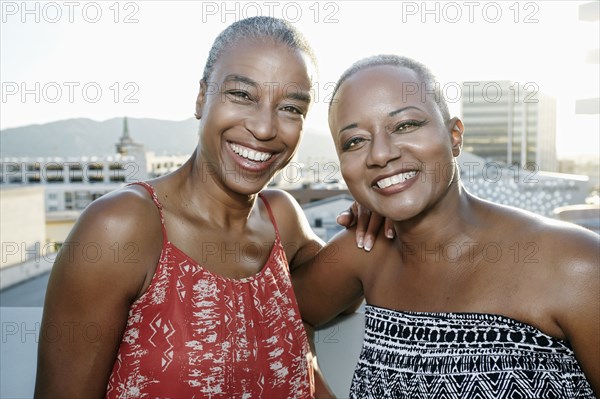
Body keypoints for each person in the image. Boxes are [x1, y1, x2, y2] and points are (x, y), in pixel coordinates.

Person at [34, 16, 378, 398]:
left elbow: (338, 300)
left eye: (291, 109)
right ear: (202, 97)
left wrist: (368, 221)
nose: (264, 128)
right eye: (242, 95)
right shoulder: (122, 226)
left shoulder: (281, 218)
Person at [293, 55, 599, 398]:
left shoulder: (576, 264)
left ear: (455, 137)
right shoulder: (364, 250)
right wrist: (312, 384)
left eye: (405, 125)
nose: (380, 154)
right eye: (355, 141)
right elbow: (277, 316)